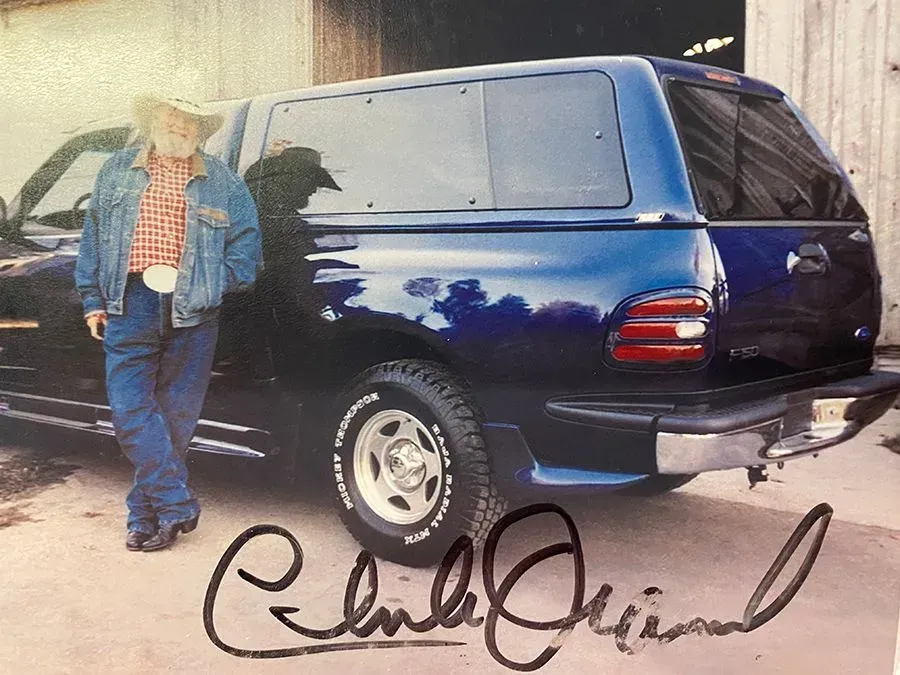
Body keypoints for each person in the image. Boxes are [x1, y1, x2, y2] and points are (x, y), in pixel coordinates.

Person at [75, 95, 262, 552]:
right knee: (129, 412)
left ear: (199, 129)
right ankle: (177, 504)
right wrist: (91, 299)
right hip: (129, 301)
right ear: (152, 121)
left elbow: (247, 251)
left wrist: (208, 285)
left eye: (188, 120)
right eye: (170, 116)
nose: (179, 125)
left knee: (176, 417)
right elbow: (93, 238)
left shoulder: (222, 181)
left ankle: (145, 517)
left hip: (193, 308)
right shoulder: (117, 170)